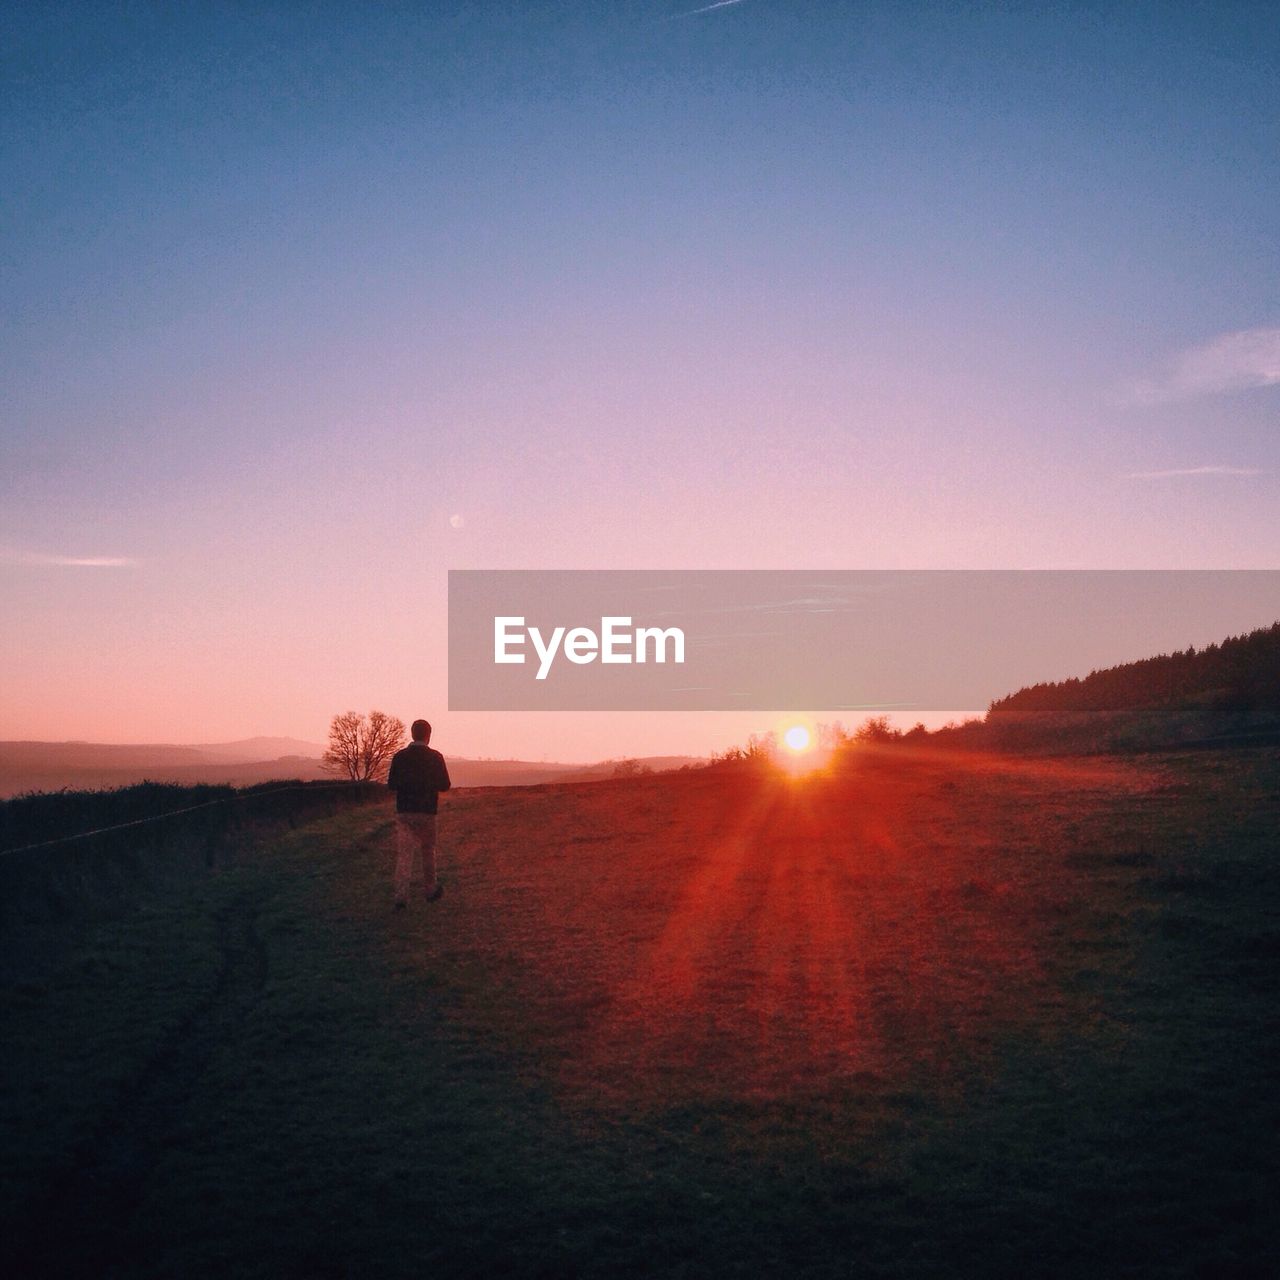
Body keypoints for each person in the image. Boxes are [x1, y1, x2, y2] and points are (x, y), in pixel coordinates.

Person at [386, 719, 451, 908]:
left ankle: (401, 896)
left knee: (404, 854)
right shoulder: (436, 757)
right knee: (428, 851)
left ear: (412, 734)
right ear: (428, 735)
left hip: (405, 810)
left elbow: (391, 784)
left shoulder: (400, 757)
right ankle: (430, 890)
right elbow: (445, 785)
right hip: (427, 811)